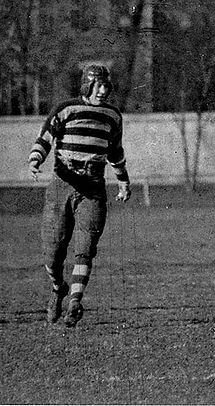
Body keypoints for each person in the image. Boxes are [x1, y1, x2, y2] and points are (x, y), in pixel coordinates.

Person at [28, 64, 131, 327]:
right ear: (86, 85)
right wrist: (35, 159)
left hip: (93, 188)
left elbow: (115, 152)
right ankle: (58, 289)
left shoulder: (112, 116)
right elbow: (45, 138)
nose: (103, 91)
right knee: (52, 253)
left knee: (85, 249)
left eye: (106, 86)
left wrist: (123, 182)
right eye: (98, 85)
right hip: (62, 184)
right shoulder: (65, 109)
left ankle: (75, 303)